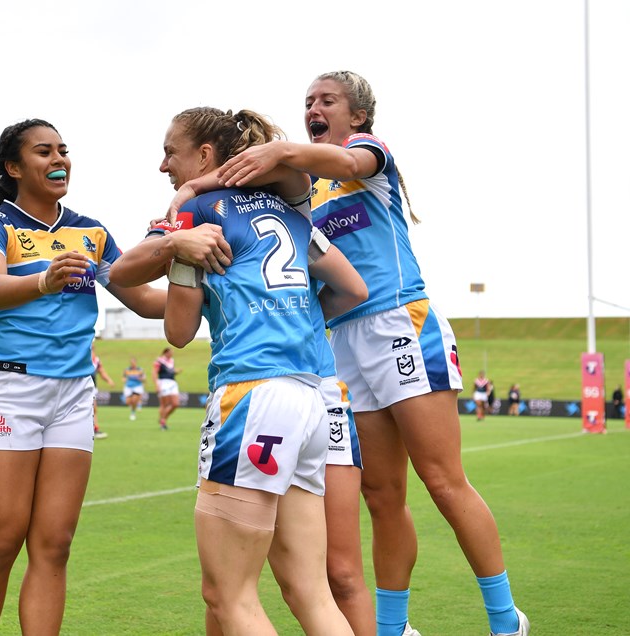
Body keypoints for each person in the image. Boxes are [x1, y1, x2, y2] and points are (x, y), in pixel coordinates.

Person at [214, 71, 530, 636]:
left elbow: (347, 162)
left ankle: (506, 620)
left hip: (401, 324)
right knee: (382, 496)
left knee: (442, 481)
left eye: (327, 100)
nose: (314, 107)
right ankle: (393, 628)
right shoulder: (304, 190)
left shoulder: (367, 154)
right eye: (308, 101)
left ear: (356, 115)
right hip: (342, 341)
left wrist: (280, 149)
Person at [144, 106, 367, 634]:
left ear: (205, 155)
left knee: (229, 596)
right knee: (311, 594)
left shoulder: (196, 213)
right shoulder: (293, 214)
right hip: (311, 400)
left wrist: (173, 250)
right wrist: (304, 315)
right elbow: (354, 289)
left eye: (170, 153)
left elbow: (178, 330)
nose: (163, 166)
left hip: (252, 394)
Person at [0, 118, 165, 635]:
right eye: (44, 151)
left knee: (54, 545)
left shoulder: (91, 232)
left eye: (63, 150)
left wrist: (209, 287)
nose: (59, 159)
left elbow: (142, 299)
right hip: (6, 389)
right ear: (14, 167)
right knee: (0, 543)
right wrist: (45, 280)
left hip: (72, 395)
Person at [153, 347, 181, 431]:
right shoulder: (159, 361)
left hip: (172, 383)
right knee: (164, 404)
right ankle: (163, 422)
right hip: (163, 382)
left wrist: (176, 372)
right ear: (166, 353)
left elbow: (170, 372)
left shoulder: (171, 361)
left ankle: (163, 419)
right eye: (170, 352)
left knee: (175, 404)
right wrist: (156, 385)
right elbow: (154, 372)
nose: (172, 354)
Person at [91, 344, 115, 439]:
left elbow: (102, 372)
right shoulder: (82, 357)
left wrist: (109, 380)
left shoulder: (96, 360)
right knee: (92, 408)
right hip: (83, 387)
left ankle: (94, 429)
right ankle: (94, 429)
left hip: (92, 388)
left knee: (93, 409)